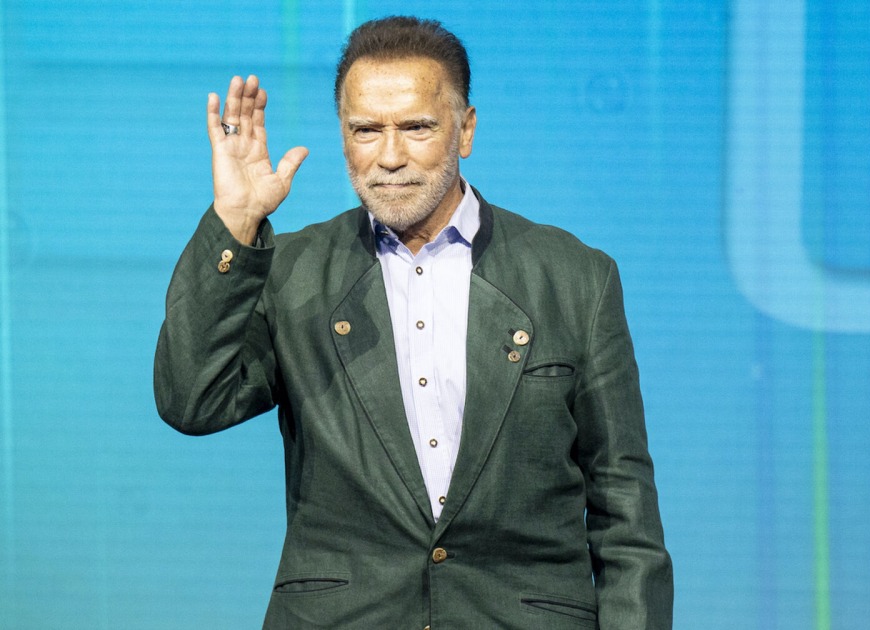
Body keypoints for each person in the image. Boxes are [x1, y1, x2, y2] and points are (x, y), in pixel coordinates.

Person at [153, 15, 672, 629]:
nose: (390, 156)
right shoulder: (292, 272)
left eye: (417, 127)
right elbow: (192, 401)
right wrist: (236, 223)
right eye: (366, 130)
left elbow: (624, 511)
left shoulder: (574, 278)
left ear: (465, 129)